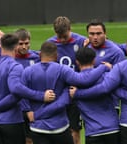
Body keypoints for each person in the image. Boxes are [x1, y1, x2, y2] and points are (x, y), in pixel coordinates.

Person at [20, 41, 111, 144]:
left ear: (40, 54)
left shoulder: (27, 71)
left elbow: (21, 92)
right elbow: (85, 80)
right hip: (60, 126)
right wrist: (104, 67)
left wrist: (28, 111)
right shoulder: (63, 70)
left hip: (38, 127)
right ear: (56, 55)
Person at [47, 16, 87, 144]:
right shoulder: (50, 44)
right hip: (57, 94)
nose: (62, 40)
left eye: (65, 36)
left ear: (70, 29)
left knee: (74, 129)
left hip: (75, 93)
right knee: (56, 129)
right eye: (60, 37)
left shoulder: (81, 42)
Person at [70, 47, 120, 144]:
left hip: (93, 132)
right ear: (94, 60)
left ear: (77, 62)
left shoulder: (74, 83)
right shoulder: (106, 77)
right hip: (112, 128)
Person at [86, 18, 125, 113]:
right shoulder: (85, 49)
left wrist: (111, 69)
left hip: (110, 103)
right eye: (92, 34)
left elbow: (122, 79)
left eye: (98, 33)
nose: (95, 37)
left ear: (105, 33)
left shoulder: (116, 52)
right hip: (88, 102)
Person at [14, 28, 40, 144]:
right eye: (20, 44)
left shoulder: (37, 58)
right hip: (16, 106)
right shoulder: (11, 60)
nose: (24, 47)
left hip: (34, 105)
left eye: (26, 43)